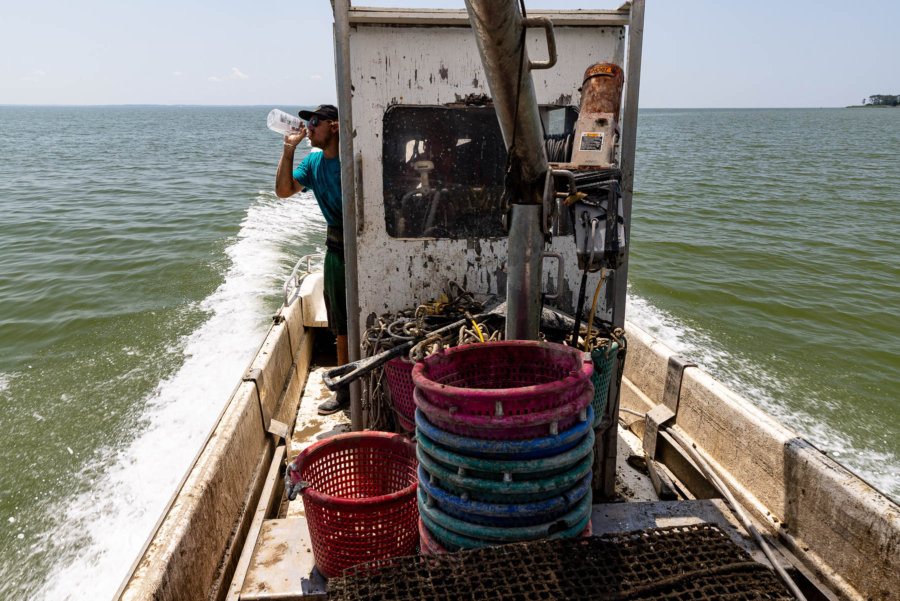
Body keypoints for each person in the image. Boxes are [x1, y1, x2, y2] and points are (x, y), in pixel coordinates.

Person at [275, 104, 349, 415]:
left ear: (334, 126)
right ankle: (346, 392)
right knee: (341, 327)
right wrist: (287, 149)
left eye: (316, 122)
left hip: (365, 245)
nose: (310, 127)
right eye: (309, 122)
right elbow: (283, 190)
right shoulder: (314, 162)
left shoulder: (351, 160)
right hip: (336, 250)